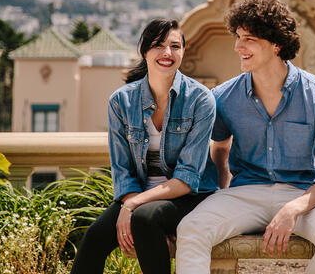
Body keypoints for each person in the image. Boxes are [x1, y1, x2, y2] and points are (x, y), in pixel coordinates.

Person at [175, 0, 315, 274]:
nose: (238, 47)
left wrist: (292, 209)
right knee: (192, 228)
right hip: (246, 192)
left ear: (276, 44)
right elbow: (219, 149)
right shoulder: (223, 97)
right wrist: (222, 192)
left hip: (304, 193)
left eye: (249, 39)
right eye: (237, 37)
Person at [70, 19, 219, 274]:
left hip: (189, 197)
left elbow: (188, 178)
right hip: (137, 196)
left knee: (144, 218)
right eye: (158, 46)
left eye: (175, 46)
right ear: (144, 50)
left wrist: (132, 206)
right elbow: (123, 170)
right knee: (95, 237)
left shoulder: (200, 99)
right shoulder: (122, 101)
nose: (167, 53)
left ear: (183, 51)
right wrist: (129, 203)